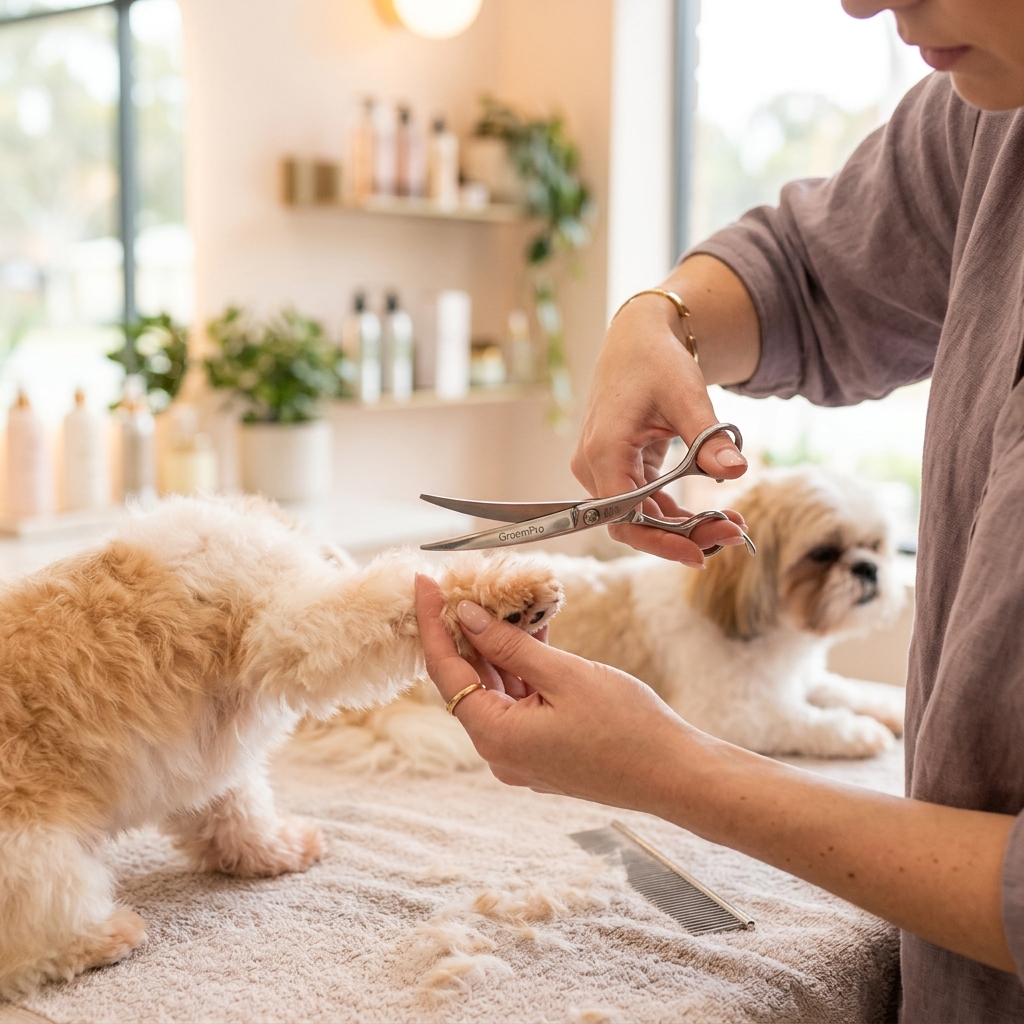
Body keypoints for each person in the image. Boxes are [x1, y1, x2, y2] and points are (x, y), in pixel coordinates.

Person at [414, 0, 1024, 1020]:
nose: (859, 3)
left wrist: (673, 774)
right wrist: (657, 321)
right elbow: (801, 266)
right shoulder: (990, 109)